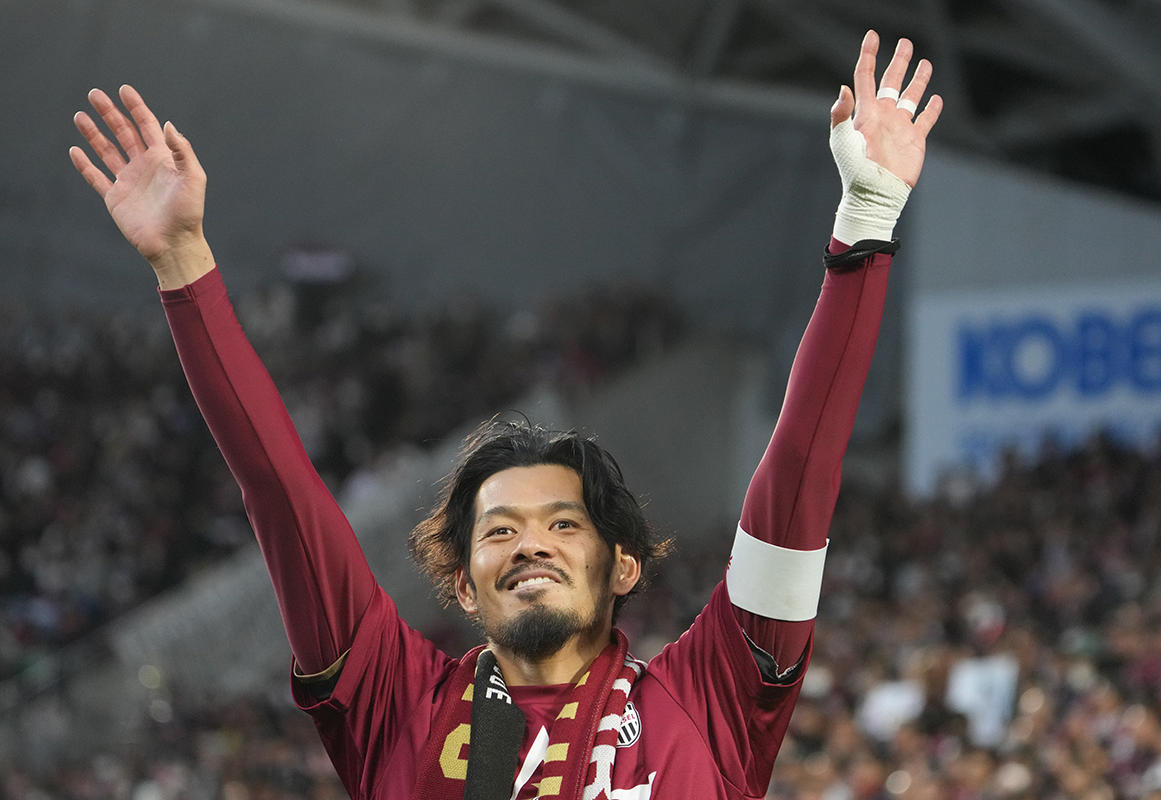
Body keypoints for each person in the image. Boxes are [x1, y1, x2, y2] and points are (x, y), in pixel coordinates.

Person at [69, 30, 941, 800]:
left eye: (564, 523)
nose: (530, 543)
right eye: (499, 531)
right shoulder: (395, 706)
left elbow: (799, 474)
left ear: (623, 566)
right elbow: (281, 492)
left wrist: (865, 221)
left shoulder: (712, 699)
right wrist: (183, 263)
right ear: (462, 585)